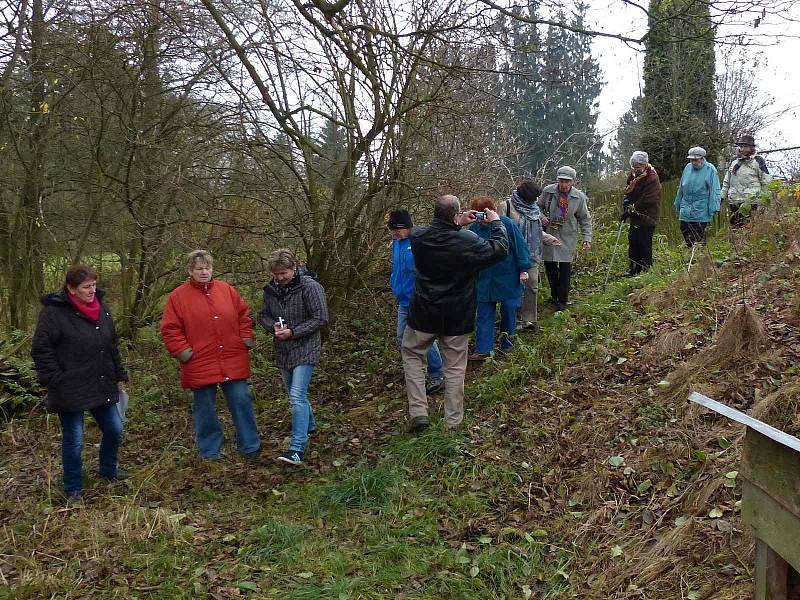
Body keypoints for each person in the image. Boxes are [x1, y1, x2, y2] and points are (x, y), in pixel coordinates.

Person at [402, 195, 509, 432]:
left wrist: (457, 221)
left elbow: (436, 231)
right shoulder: (467, 242)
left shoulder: (418, 237)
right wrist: (496, 222)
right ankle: (453, 422)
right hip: (456, 315)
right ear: (455, 215)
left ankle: (418, 412)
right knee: (455, 369)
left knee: (412, 357)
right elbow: (499, 249)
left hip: (423, 313)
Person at [31, 264, 129, 502]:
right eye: (86, 287)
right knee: (74, 439)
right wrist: (56, 379)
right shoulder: (53, 314)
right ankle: (73, 488)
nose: (92, 290)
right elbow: (41, 350)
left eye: (94, 285)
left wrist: (119, 374)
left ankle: (109, 471)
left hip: (101, 382)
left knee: (115, 430)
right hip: (69, 387)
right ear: (71, 289)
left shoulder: (102, 310)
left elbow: (111, 346)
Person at [160, 250, 261, 461]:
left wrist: (245, 338)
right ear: (190, 271)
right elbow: (170, 329)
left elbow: (244, 316)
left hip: (232, 357)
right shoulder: (178, 297)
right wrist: (184, 352)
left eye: (207, 268)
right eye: (199, 268)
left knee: (241, 399)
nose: (204, 272)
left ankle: (250, 446)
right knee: (204, 409)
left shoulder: (227, 290)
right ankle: (210, 452)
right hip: (199, 362)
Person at [260, 248, 329, 465]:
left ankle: (297, 448)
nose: (280, 278)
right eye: (276, 274)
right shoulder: (270, 290)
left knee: (297, 396)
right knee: (294, 392)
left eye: (284, 273)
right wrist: (274, 327)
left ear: (294, 268)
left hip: (306, 346)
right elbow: (263, 315)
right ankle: (310, 426)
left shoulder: (310, 287)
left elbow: (321, 317)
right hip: (283, 349)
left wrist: (294, 331)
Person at [388, 209, 445, 394]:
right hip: (403, 300)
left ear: (407, 227)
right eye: (392, 230)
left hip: (420, 300)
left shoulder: (420, 241)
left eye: (397, 230)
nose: (394, 233)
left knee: (424, 337)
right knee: (402, 337)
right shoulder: (397, 243)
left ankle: (438, 372)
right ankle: (420, 369)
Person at [468, 196, 531, 361]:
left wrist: (524, 269)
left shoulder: (506, 224)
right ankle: (484, 350)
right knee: (483, 313)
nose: (481, 219)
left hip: (508, 276)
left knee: (509, 310)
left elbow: (520, 246)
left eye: (484, 215)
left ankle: (507, 344)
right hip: (484, 279)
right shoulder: (473, 230)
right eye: (478, 215)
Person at [497, 180, 560, 330]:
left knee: (532, 285)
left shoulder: (534, 208)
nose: (536, 201)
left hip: (532, 254)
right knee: (514, 287)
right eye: (533, 198)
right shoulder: (506, 206)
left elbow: (537, 231)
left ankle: (528, 320)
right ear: (524, 196)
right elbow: (498, 229)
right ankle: (513, 321)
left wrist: (549, 239)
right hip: (511, 255)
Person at [538, 166, 593, 311]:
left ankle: (562, 300)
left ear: (572, 182)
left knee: (565, 268)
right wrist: (542, 217)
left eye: (567, 181)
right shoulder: (548, 191)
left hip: (567, 235)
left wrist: (587, 238)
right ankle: (554, 295)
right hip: (549, 233)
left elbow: (584, 218)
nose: (564, 184)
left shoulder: (579, 197)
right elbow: (536, 207)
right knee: (550, 266)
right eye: (561, 181)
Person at [621, 151, 662, 275]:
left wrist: (632, 209)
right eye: (633, 166)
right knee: (633, 242)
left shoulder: (652, 178)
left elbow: (648, 199)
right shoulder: (633, 175)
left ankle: (647, 270)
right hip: (635, 216)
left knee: (644, 243)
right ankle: (634, 269)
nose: (635, 169)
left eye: (638, 166)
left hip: (647, 216)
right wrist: (627, 200)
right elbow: (629, 190)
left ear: (644, 165)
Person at [674, 147, 721, 247]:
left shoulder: (710, 169)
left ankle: (699, 258)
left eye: (695, 160)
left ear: (702, 158)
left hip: (701, 208)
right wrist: (677, 203)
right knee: (684, 229)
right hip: (686, 206)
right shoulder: (687, 167)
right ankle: (690, 255)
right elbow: (681, 186)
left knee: (698, 235)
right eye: (691, 160)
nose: (693, 162)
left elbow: (715, 190)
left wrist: (713, 207)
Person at [721, 134, 770, 228]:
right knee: (736, 230)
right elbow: (727, 182)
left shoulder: (757, 161)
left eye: (746, 146)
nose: (743, 149)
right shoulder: (734, 163)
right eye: (741, 146)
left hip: (751, 202)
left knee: (750, 230)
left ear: (751, 148)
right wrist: (722, 197)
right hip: (734, 201)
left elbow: (766, 182)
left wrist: (764, 201)